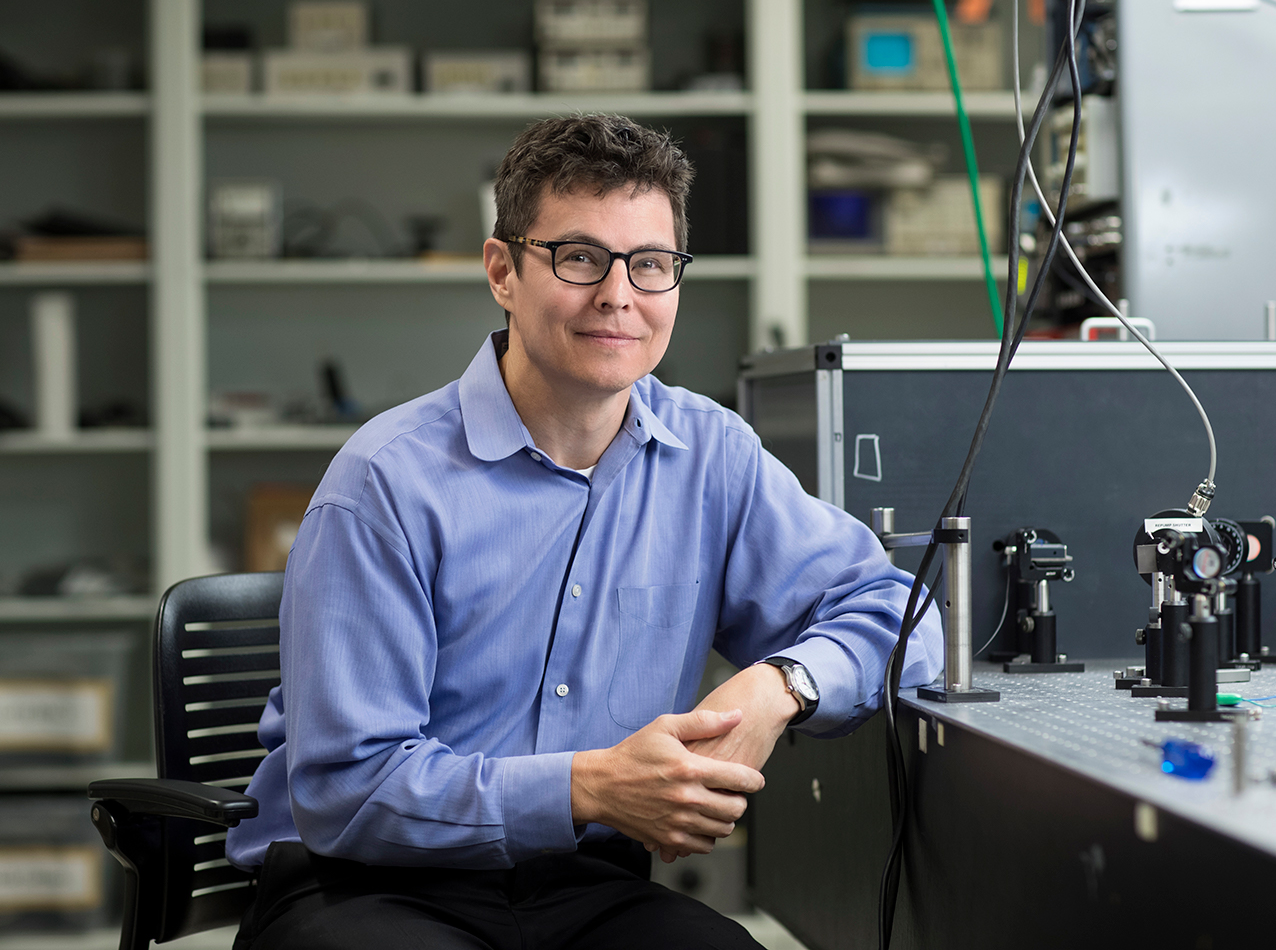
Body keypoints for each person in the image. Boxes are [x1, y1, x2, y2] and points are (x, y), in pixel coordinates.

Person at [226, 114, 943, 950]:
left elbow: (902, 609)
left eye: (650, 264)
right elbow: (348, 793)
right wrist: (588, 789)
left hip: (580, 885)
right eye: (578, 258)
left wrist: (779, 686)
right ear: (503, 270)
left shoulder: (711, 457)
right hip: (363, 885)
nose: (618, 295)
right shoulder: (386, 482)